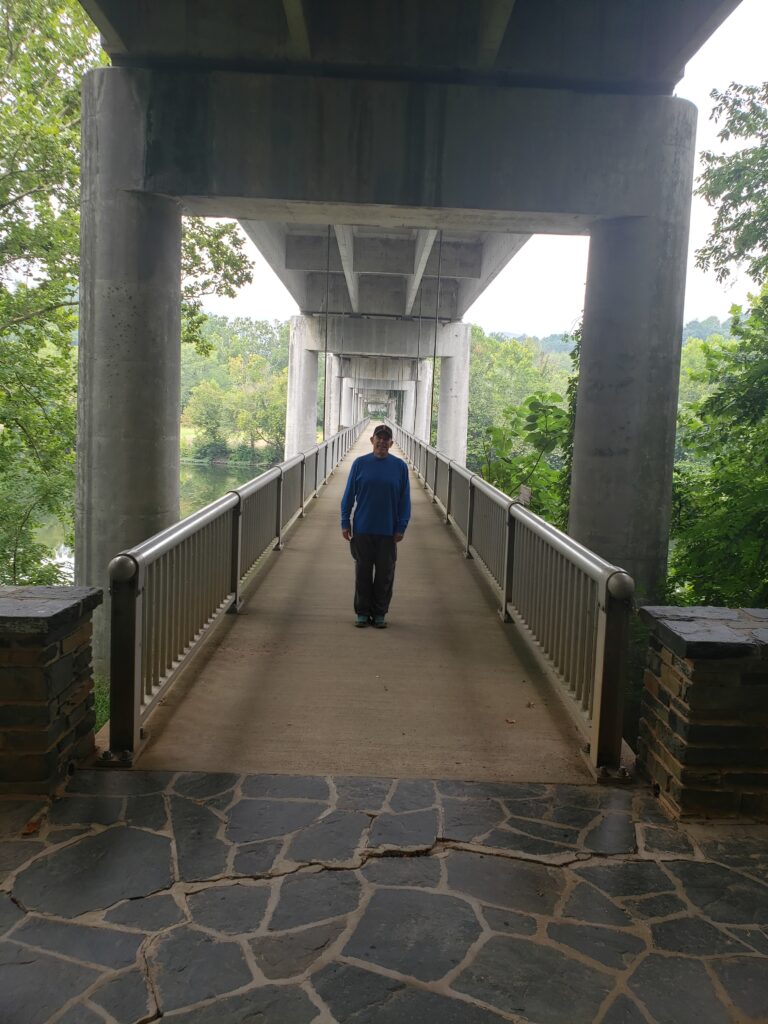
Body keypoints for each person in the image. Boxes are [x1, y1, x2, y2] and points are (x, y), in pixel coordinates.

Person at [340, 424, 411, 628]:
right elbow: (348, 496)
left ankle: (379, 613)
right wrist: (345, 522)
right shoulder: (360, 464)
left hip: (388, 531)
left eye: (386, 439)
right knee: (362, 573)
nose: (382, 442)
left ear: (391, 443)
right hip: (363, 528)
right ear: (372, 441)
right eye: (378, 438)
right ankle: (362, 612)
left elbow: (404, 500)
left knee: (384, 575)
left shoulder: (399, 467)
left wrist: (402, 526)